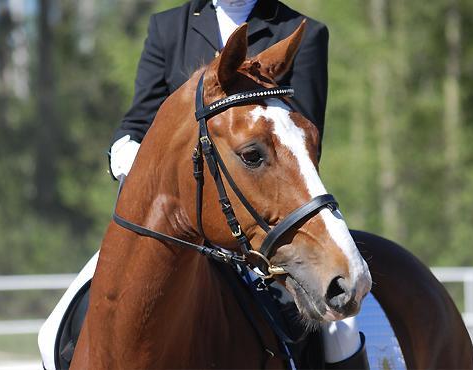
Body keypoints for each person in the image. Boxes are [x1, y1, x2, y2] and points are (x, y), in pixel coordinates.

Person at [38, 1, 369, 369]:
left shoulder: (301, 31)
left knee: (343, 328)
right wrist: (126, 151)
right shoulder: (168, 27)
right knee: (52, 329)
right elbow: (139, 118)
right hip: (172, 215)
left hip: (263, 215)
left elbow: (295, 141)